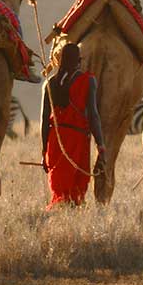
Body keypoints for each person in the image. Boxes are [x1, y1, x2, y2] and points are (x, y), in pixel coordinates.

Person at [41, 43, 106, 208]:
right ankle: (71, 221)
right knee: (76, 190)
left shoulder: (49, 83)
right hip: (77, 139)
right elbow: (93, 115)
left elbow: (43, 121)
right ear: (79, 61)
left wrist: (44, 151)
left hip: (55, 141)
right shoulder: (88, 80)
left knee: (60, 191)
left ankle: (60, 221)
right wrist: (101, 144)